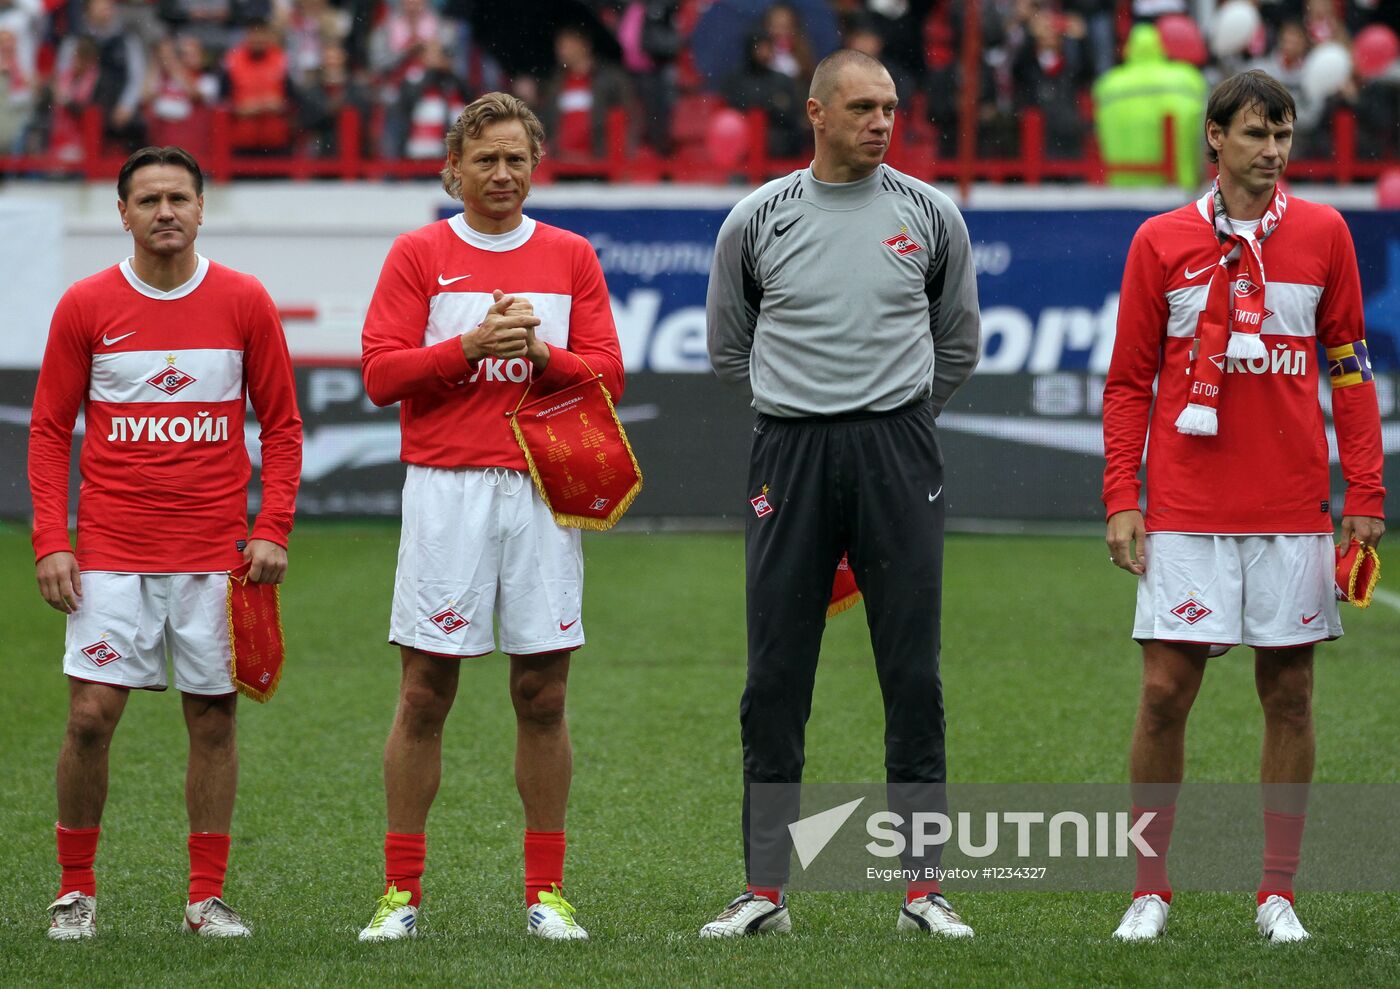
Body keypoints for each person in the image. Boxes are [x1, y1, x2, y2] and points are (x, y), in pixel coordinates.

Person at [1102, 69, 1385, 943]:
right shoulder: (1159, 240)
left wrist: (1365, 493)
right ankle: (1151, 887)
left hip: (1294, 509)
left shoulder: (1326, 233)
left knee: (1290, 693)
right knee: (1162, 694)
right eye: (1256, 133)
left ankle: (1277, 893)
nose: (1272, 151)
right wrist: (1123, 495)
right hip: (1186, 507)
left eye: (1284, 134)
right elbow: (1127, 384)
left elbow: (1351, 371)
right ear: (1215, 139)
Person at [703, 49, 981, 939]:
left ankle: (922, 890)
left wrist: (892, 416)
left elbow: (957, 343)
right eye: (862, 106)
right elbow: (728, 347)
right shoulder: (757, 218)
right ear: (815, 113)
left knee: (912, 672)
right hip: (788, 453)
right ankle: (765, 891)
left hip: (899, 450)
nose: (882, 121)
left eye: (891, 107)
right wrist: (803, 411)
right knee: (776, 673)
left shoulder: (932, 214)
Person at [355, 92, 624, 943]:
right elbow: (380, 374)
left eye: (516, 158)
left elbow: (609, 379)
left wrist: (544, 355)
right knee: (425, 691)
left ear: (534, 164)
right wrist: (467, 347)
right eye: (486, 159)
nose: (502, 173)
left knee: (542, 693)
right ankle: (402, 893)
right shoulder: (420, 252)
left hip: (544, 490)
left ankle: (546, 893)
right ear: (453, 169)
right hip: (447, 487)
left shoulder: (570, 255)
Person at [28, 145, 303, 940]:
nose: (164, 212)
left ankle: (205, 898)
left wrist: (271, 526)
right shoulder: (85, 305)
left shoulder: (244, 300)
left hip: (215, 554)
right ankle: (74, 891)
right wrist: (54, 538)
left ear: (201, 207)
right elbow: (48, 432)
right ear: (123, 214)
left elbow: (282, 426)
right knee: (90, 715)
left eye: (178, 197)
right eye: (147, 200)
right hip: (111, 548)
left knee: (213, 717)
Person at [1092, 22, 1207, 188]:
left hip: (1122, 190)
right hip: (1179, 189)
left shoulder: (1107, 85)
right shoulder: (1188, 79)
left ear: (1128, 49)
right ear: (1160, 47)